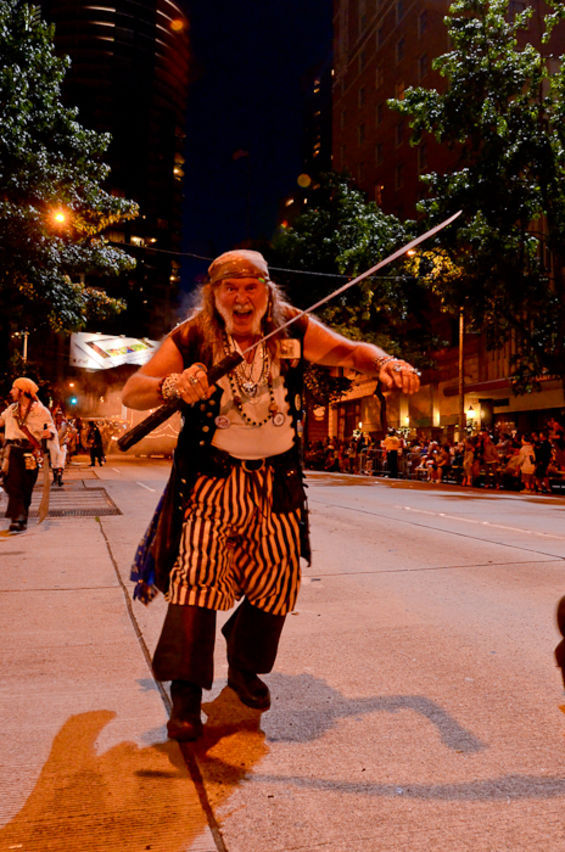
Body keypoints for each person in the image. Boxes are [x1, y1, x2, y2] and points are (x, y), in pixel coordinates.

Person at [121, 249, 420, 741]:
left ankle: (243, 666)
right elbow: (134, 390)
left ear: (267, 291)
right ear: (214, 295)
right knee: (197, 578)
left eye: (251, 287)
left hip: (277, 482)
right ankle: (186, 693)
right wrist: (173, 384)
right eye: (230, 288)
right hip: (211, 482)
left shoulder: (292, 329)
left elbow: (350, 352)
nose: (241, 298)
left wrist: (386, 361)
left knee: (279, 582)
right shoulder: (193, 336)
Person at [0, 377, 55, 531]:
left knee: (26, 485)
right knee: (12, 484)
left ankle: (22, 515)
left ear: (23, 391)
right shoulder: (11, 409)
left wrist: (49, 433)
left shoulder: (40, 411)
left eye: (14, 388)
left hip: (31, 453)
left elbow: (51, 428)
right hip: (13, 451)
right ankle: (17, 517)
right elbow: (0, 421)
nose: (11, 391)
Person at [48, 409, 69, 487]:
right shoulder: (52, 426)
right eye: (58, 416)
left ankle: (60, 479)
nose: (59, 418)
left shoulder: (65, 425)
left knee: (61, 463)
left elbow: (73, 431)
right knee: (54, 463)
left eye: (60, 416)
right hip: (53, 446)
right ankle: (55, 479)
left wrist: (68, 423)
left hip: (62, 446)